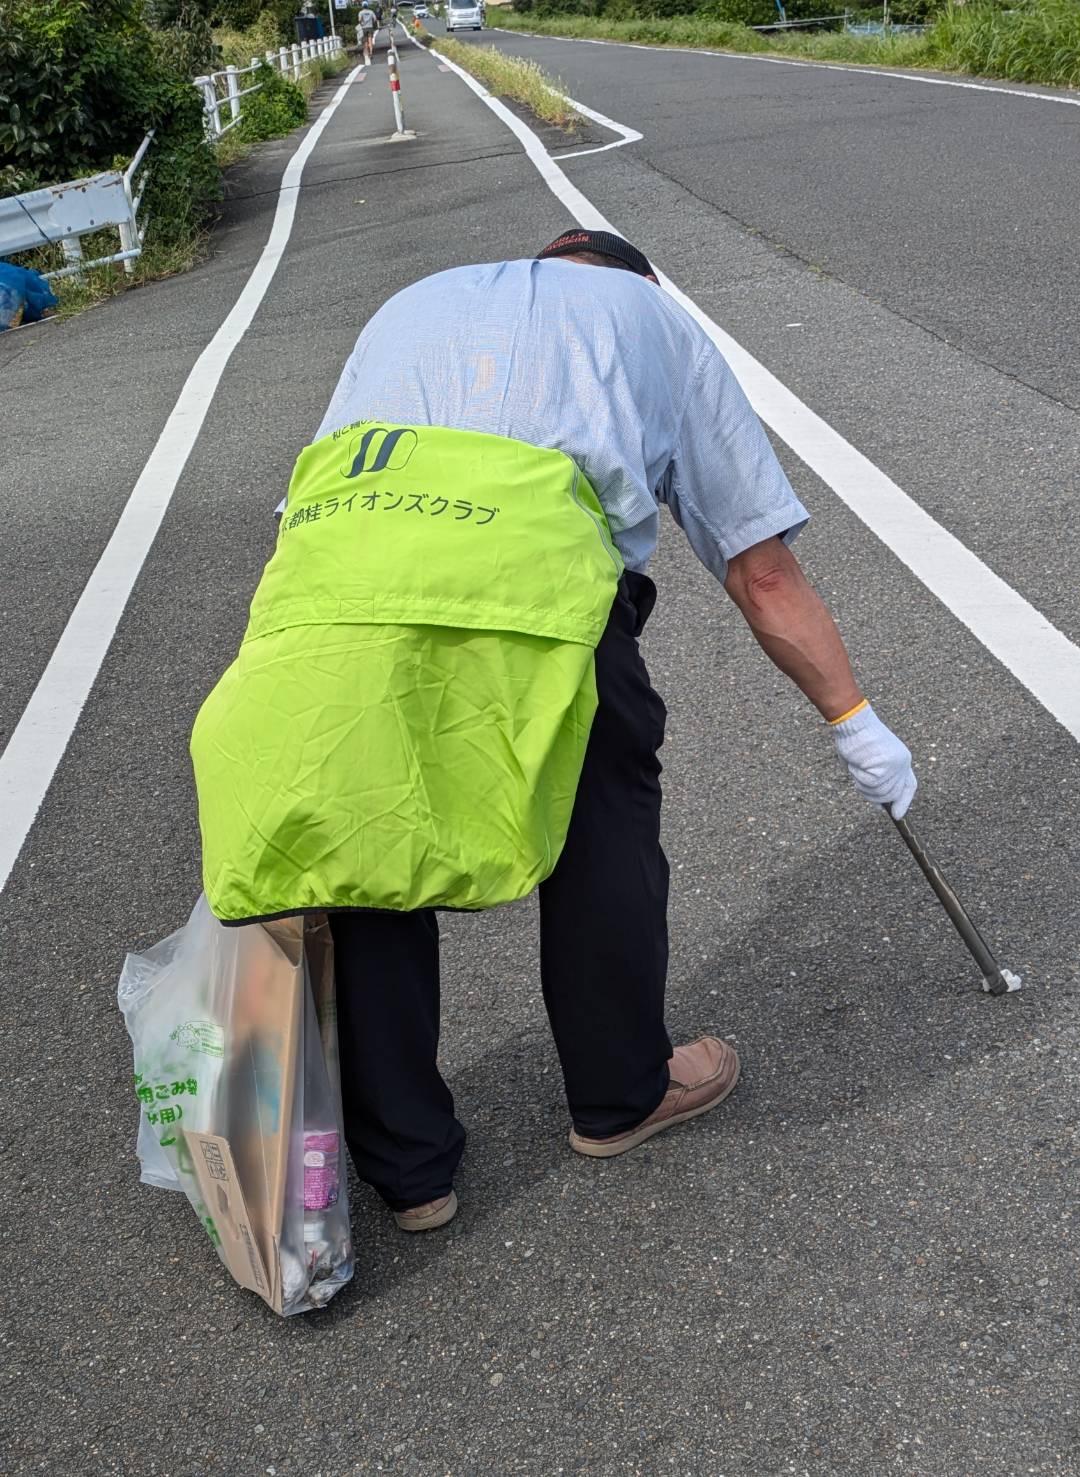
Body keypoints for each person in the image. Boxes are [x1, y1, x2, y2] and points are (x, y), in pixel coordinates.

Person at [191, 230, 916, 1234]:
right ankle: (620, 1094)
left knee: (358, 837)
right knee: (599, 807)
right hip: (539, 582)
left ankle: (411, 1174)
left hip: (341, 577)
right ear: (638, 281)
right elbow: (761, 571)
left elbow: (311, 490)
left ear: (549, 259)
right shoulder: (656, 319)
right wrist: (853, 721)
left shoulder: (412, 298)